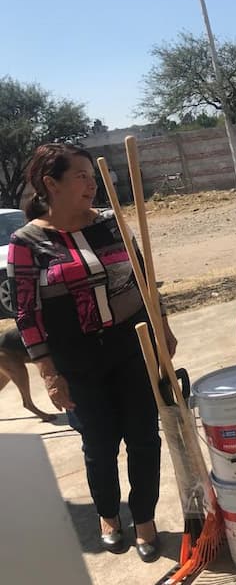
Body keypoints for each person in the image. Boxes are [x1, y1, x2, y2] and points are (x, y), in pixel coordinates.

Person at [8, 143, 177, 561]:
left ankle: (144, 520)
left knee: (143, 438)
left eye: (92, 174)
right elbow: (25, 311)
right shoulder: (26, 242)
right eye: (81, 176)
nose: (92, 183)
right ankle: (108, 516)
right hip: (76, 359)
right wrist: (48, 371)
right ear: (52, 183)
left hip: (131, 346)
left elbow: (143, 278)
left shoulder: (112, 224)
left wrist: (163, 327)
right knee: (99, 444)